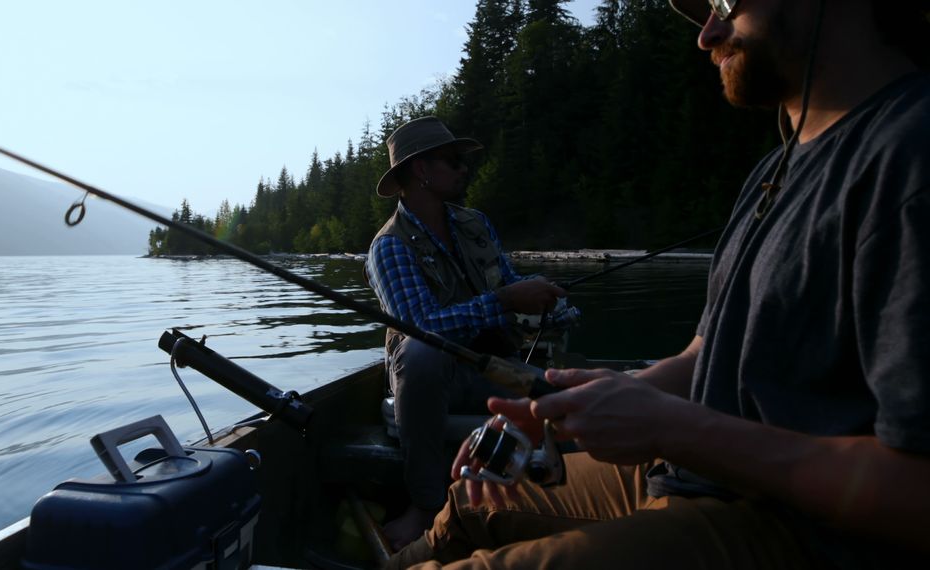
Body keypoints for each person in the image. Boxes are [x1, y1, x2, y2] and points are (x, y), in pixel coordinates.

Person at [388, 0, 930, 568]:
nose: (708, 35)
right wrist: (588, 398)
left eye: (724, 3)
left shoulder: (913, 156)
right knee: (468, 505)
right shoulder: (774, 175)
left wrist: (675, 429)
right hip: (697, 474)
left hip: (790, 524)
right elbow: (707, 356)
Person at [364, 116, 570, 550]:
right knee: (422, 353)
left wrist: (547, 298)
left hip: (492, 368)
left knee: (563, 397)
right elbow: (419, 326)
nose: (464, 169)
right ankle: (424, 505)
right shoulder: (390, 246)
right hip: (428, 381)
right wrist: (505, 301)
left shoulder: (476, 224)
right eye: (453, 161)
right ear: (421, 170)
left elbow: (508, 280)